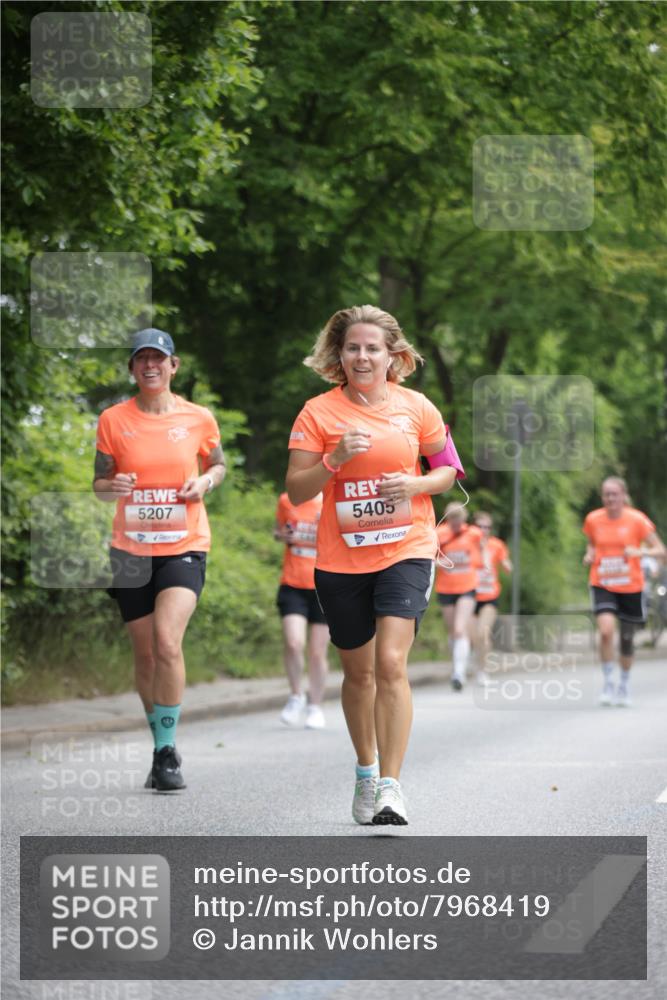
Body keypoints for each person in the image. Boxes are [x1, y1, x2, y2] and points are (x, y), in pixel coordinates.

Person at [286, 304, 462, 826]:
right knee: (359, 673)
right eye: (352, 348)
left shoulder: (417, 407)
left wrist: (415, 484)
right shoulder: (317, 413)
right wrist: (334, 459)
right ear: (338, 355)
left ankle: (391, 786)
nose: (362, 357)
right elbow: (297, 491)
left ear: (392, 356)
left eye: (372, 348)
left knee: (390, 663)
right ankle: (366, 772)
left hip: (407, 547)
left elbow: (448, 471)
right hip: (341, 559)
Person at [93, 329, 226, 790]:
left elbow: (218, 464)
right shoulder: (113, 419)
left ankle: (166, 753)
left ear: (173, 365)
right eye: (141, 359)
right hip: (130, 550)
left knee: (167, 642)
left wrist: (204, 483)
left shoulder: (198, 417)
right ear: (132, 368)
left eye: (158, 358)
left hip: (184, 545)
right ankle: (160, 744)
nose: (150, 366)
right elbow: (99, 483)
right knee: (146, 654)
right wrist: (113, 486)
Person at [583, 476, 665, 707]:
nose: (610, 498)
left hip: (631, 586)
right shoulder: (593, 519)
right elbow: (591, 543)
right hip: (602, 582)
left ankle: (624, 684)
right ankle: (608, 682)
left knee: (626, 639)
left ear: (623, 496)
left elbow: (661, 551)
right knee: (606, 631)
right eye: (606, 494)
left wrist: (640, 553)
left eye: (614, 494)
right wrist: (589, 554)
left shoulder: (637, 520)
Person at [274, 491, 330, 729]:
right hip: (293, 584)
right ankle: (296, 695)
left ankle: (315, 706)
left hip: (324, 586)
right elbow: (277, 531)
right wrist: (282, 535)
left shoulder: (331, 499)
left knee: (317, 652)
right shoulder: (287, 500)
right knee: (294, 643)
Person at [435, 504, 487, 691]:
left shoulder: (474, 533)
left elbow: (483, 549)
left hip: (467, 586)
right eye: (453, 523)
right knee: (452, 632)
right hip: (446, 587)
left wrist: (484, 564)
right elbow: (429, 557)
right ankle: (459, 664)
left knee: (459, 629)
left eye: (459, 522)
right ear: (447, 519)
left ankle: (459, 673)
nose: (456, 526)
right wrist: (439, 562)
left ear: (464, 519)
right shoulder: (438, 533)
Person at [471, 511, 512, 684]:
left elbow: (506, 562)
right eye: (480, 526)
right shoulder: (467, 543)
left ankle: (483, 671)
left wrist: (507, 565)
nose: (484, 530)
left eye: (487, 527)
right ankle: (473, 661)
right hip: (469, 595)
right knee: (473, 636)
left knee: (483, 633)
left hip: (489, 595)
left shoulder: (496, 545)